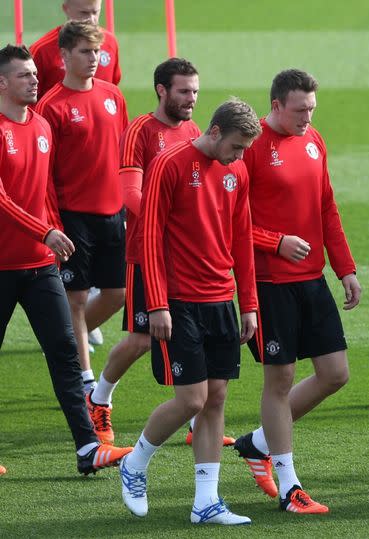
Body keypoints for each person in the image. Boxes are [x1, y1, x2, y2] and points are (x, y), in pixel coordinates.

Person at [118, 99, 261, 524]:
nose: (240, 155)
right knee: (191, 400)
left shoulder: (238, 170)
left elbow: (242, 239)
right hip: (179, 302)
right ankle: (135, 463)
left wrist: (249, 304)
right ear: (215, 132)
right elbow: (149, 236)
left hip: (221, 299)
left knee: (216, 398)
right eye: (236, 146)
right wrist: (156, 304)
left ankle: (206, 503)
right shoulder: (171, 163)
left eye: (246, 149)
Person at [232, 69, 361, 514]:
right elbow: (230, 220)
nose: (308, 116)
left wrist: (344, 267)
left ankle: (258, 443)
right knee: (280, 380)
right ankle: (290, 487)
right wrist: (275, 242)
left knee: (335, 373)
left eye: (312, 108)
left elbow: (326, 205)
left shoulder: (313, 141)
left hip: (312, 278)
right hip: (270, 283)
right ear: (275, 106)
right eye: (299, 109)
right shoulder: (250, 149)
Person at [82, 58, 230, 447]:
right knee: (142, 339)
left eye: (195, 91)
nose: (191, 99)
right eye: (184, 91)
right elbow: (130, 194)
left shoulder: (196, 131)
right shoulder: (140, 132)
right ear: (161, 90)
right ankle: (98, 399)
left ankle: (199, 421)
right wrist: (170, 220)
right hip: (147, 255)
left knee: (195, 338)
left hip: (189, 262)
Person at [0, 44, 131, 476]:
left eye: (35, 73)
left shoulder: (40, 125)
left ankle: (87, 448)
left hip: (39, 266)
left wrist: (54, 232)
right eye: (24, 75)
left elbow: (45, 193)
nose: (35, 79)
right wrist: (45, 230)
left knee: (65, 354)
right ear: (2, 83)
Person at [35, 21, 128, 395]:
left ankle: (68, 342)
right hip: (73, 216)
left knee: (117, 293)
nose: (95, 59)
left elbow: (122, 152)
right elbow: (43, 174)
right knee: (75, 298)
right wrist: (53, 222)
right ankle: (85, 380)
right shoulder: (50, 106)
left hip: (114, 211)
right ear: (65, 56)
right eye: (86, 52)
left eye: (98, 52)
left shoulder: (112, 96)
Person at [30, 0, 121, 100]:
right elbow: (28, 100)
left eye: (95, 12)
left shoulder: (110, 42)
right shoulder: (42, 50)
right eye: (84, 13)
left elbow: (112, 87)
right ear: (66, 9)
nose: (91, 20)